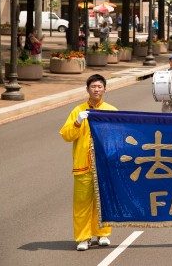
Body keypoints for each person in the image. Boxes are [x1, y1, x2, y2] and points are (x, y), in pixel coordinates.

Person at [59, 74, 118, 251]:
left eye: (100, 86)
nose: (96, 89)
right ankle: (83, 238)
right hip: (83, 165)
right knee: (82, 203)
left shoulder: (112, 110)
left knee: (104, 201)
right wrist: (77, 122)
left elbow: (117, 137)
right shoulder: (78, 111)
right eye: (93, 86)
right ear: (87, 89)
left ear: (105, 89)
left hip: (104, 166)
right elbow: (66, 136)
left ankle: (102, 234)